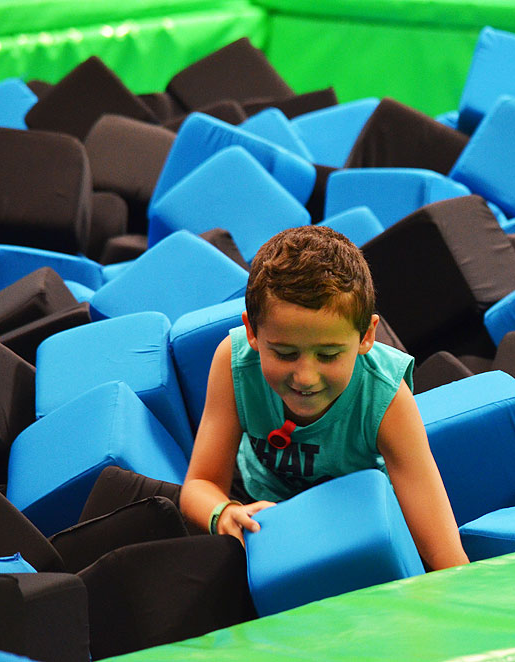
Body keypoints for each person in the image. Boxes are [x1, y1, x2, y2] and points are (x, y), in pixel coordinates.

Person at [180, 225, 469, 571]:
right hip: (259, 508)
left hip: (354, 518)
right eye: (285, 353)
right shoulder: (235, 361)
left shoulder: (385, 395)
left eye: (328, 355)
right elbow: (199, 484)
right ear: (252, 332)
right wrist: (224, 513)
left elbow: (442, 551)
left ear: (366, 336)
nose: (305, 377)